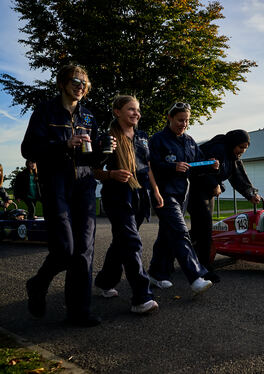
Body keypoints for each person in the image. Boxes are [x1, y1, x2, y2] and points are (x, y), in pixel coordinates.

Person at [22, 65, 103, 327]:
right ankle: (38, 283)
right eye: (76, 81)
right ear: (62, 83)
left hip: (84, 184)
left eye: (85, 83)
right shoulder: (45, 111)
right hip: (55, 183)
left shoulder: (89, 117)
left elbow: (94, 156)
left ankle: (78, 312)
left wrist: (106, 150)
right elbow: (28, 149)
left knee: (84, 251)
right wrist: (64, 144)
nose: (81, 86)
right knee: (65, 249)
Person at [93, 95, 163, 314]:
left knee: (121, 242)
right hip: (117, 196)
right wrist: (112, 174)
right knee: (132, 242)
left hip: (141, 195)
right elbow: (94, 170)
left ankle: (104, 282)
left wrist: (156, 192)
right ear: (117, 112)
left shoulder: (142, 137)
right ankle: (141, 298)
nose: (136, 113)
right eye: (131, 109)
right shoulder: (107, 138)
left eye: (138, 110)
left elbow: (148, 167)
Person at [147, 102, 219, 294]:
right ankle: (196, 276)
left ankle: (156, 273)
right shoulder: (158, 140)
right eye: (180, 120)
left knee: (166, 235)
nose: (183, 124)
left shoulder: (189, 141)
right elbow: (149, 166)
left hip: (183, 194)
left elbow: (197, 163)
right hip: (163, 193)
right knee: (180, 232)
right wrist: (172, 166)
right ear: (169, 118)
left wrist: (211, 164)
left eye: (187, 120)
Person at [187, 129, 261, 282]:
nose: (242, 151)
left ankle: (180, 258)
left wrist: (251, 194)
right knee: (204, 230)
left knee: (199, 230)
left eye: (245, 148)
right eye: (241, 147)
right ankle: (204, 270)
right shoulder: (218, 149)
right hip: (196, 190)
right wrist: (214, 183)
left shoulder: (232, 156)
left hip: (208, 193)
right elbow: (199, 168)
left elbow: (239, 177)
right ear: (233, 143)